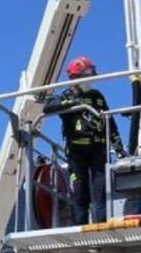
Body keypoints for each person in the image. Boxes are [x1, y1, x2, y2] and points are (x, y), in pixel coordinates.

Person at [43, 55, 126, 225]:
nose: (90, 78)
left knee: (100, 190)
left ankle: (100, 225)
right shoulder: (65, 95)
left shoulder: (97, 96)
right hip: (76, 152)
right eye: (86, 74)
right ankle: (79, 227)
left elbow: (109, 121)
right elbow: (48, 107)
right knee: (79, 193)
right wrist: (72, 102)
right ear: (75, 76)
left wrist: (118, 145)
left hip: (98, 149)